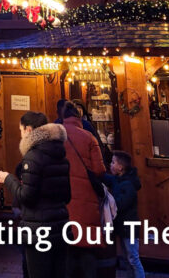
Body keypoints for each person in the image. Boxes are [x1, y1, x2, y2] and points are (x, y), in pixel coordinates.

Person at [0, 111, 70, 278]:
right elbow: (67, 195)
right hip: (60, 228)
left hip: (38, 232)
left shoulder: (33, 157)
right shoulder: (60, 156)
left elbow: (27, 197)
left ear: (28, 130)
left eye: (21, 130)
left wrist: (8, 179)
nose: (20, 135)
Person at [60, 100, 105, 278]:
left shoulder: (56, 136)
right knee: (87, 247)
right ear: (79, 117)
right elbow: (99, 170)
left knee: (67, 246)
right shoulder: (89, 137)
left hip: (63, 197)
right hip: (87, 198)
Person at [103, 151, 144, 278]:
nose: (111, 165)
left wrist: (110, 199)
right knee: (127, 258)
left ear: (120, 167)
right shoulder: (118, 180)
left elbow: (120, 204)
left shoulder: (127, 184)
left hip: (129, 226)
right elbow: (104, 177)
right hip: (123, 226)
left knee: (132, 258)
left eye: (113, 162)